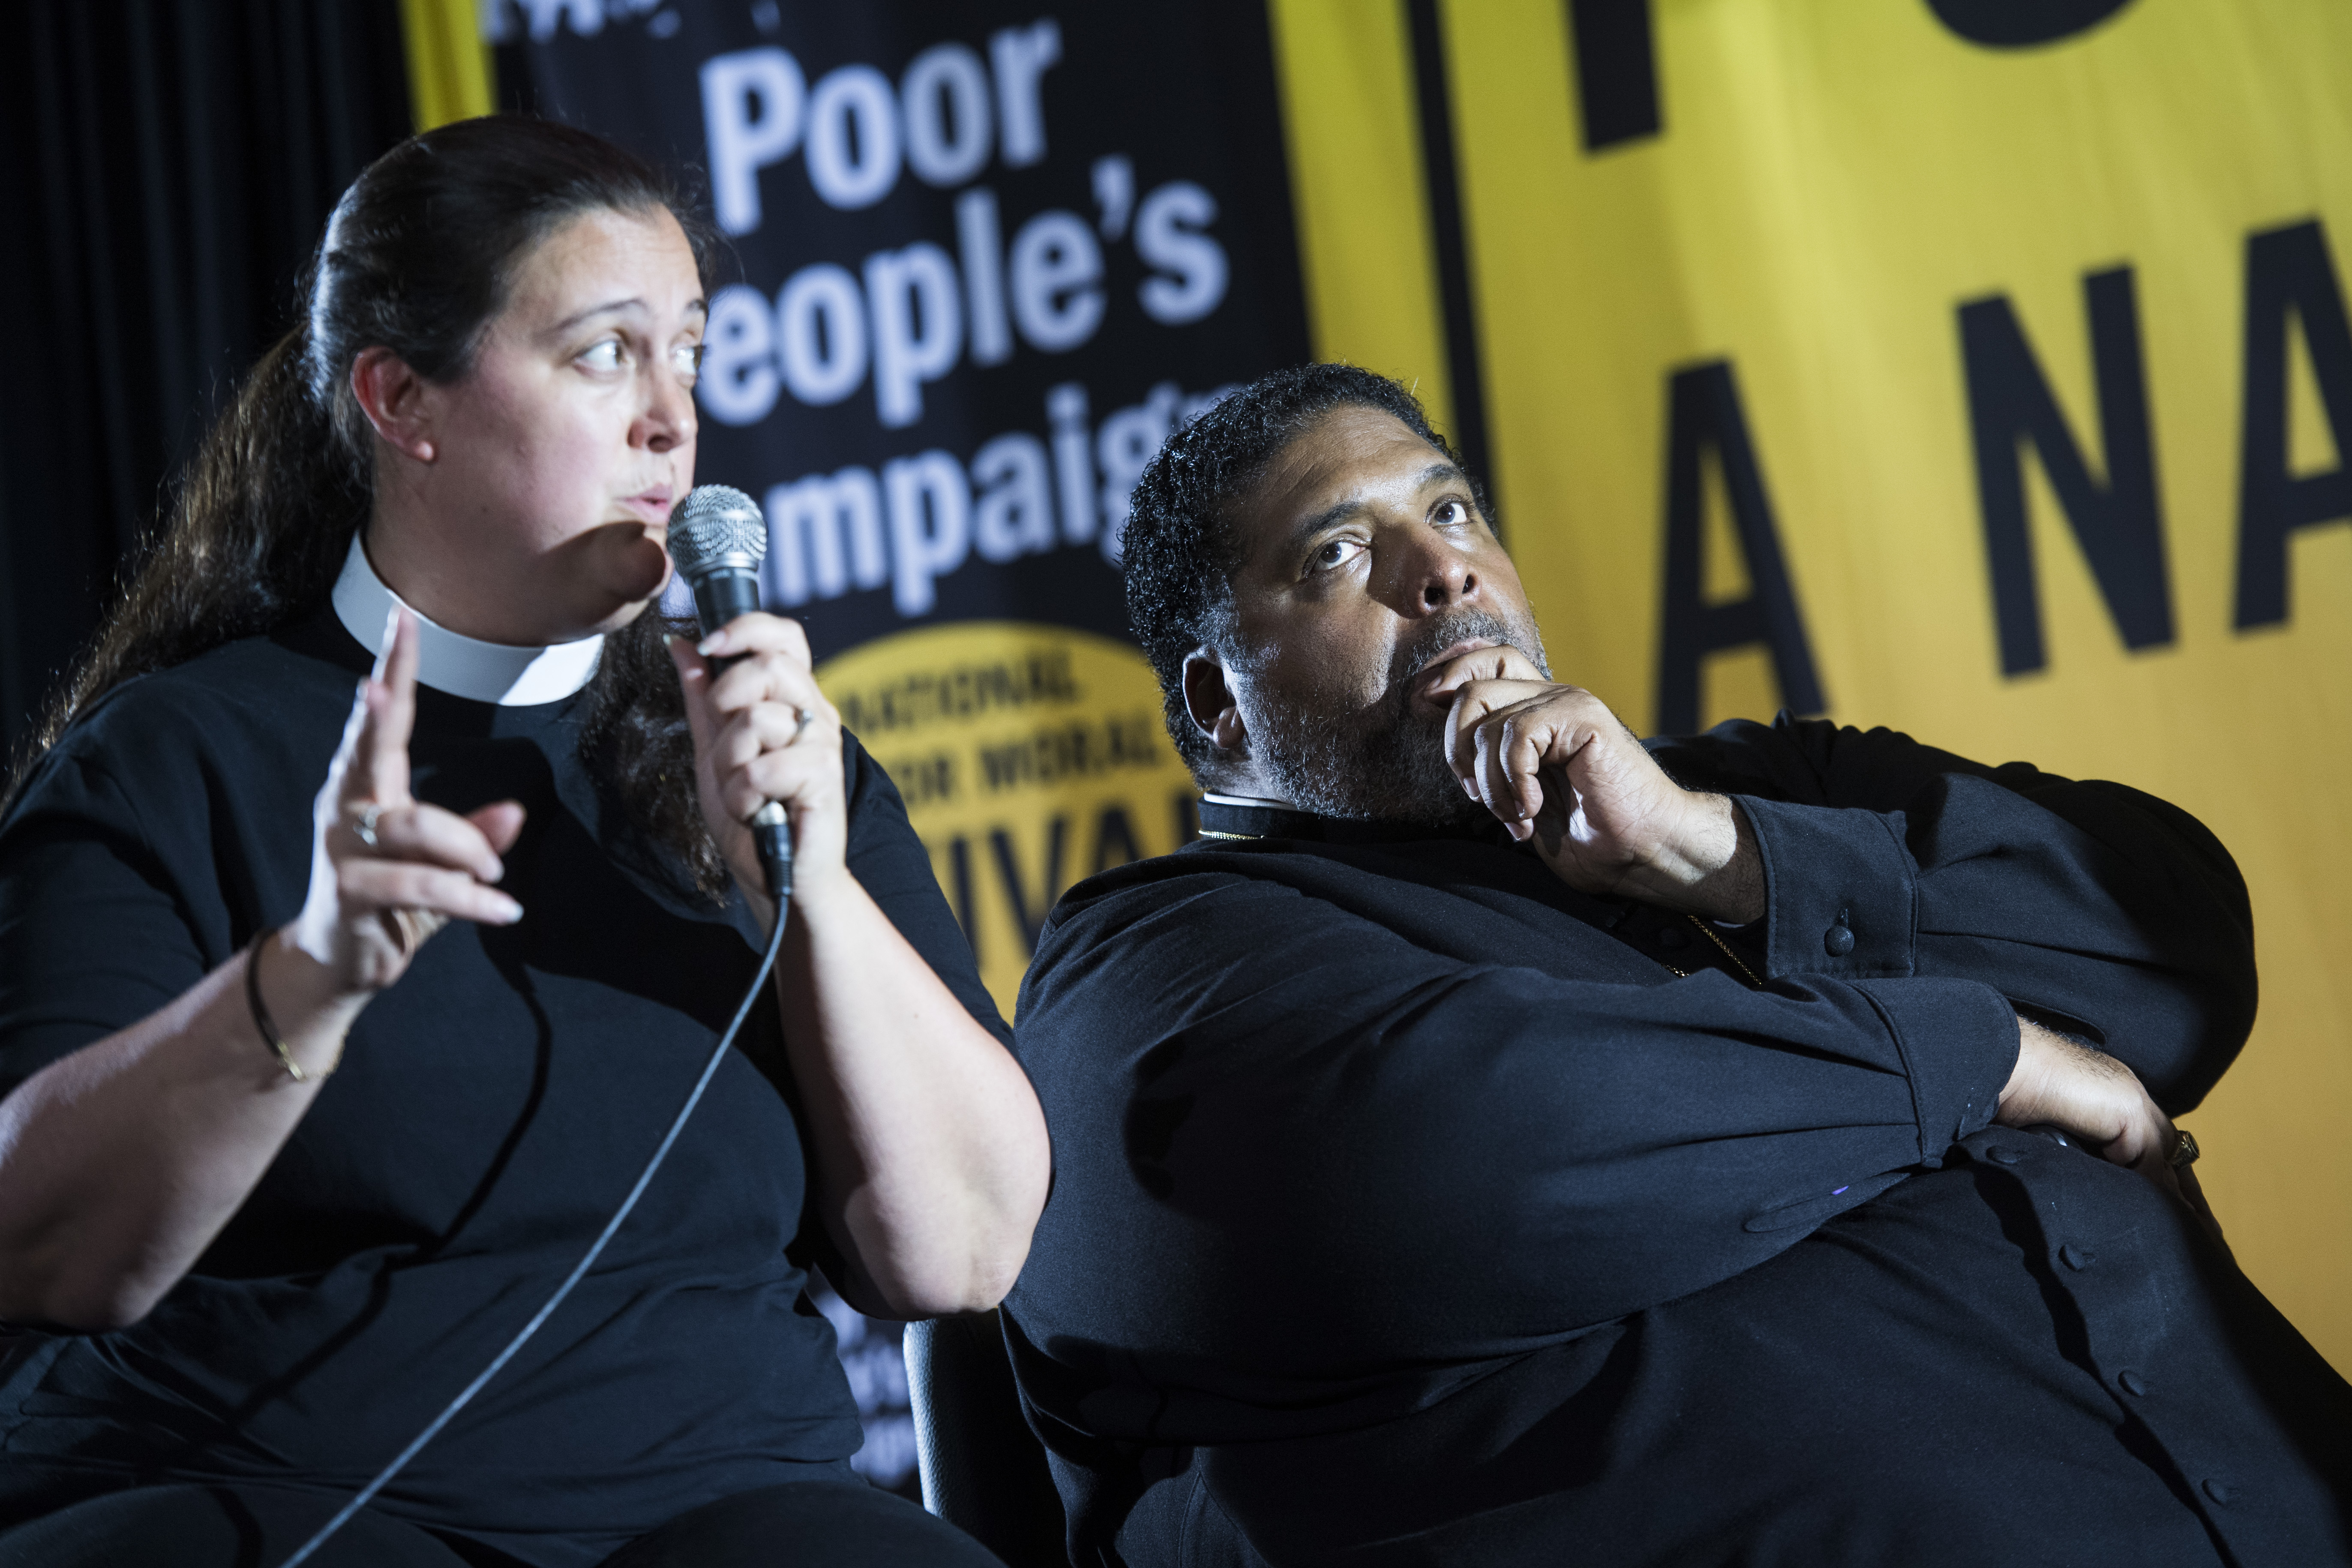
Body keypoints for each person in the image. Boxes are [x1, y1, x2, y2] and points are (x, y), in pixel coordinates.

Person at [1001, 363, 2352, 1568]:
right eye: (1344, 552)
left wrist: (1716, 855)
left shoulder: (1743, 787)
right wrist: (1980, 1056)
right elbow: (1435, 1164)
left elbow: (2178, 949)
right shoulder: (1146, 962)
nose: (1445, 569)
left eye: (1454, 511)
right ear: (1218, 700)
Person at [0, 117, 1047, 1568]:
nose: (673, 420)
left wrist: (805, 891)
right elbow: (40, 1242)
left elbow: (965, 1251)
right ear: (401, 398)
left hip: (726, 1511)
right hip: (286, 1497)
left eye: (690, 351)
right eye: (607, 352)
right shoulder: (175, 758)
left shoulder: (772, 760)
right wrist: (304, 976)